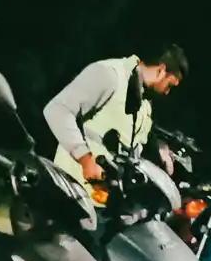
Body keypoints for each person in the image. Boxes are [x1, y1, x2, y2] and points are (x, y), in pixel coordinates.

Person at [42, 45, 188, 184]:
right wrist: (85, 161)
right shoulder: (110, 74)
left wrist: (160, 149)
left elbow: (132, 141)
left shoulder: (144, 101)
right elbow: (57, 109)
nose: (167, 92)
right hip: (73, 186)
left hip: (103, 196)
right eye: (169, 85)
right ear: (161, 70)